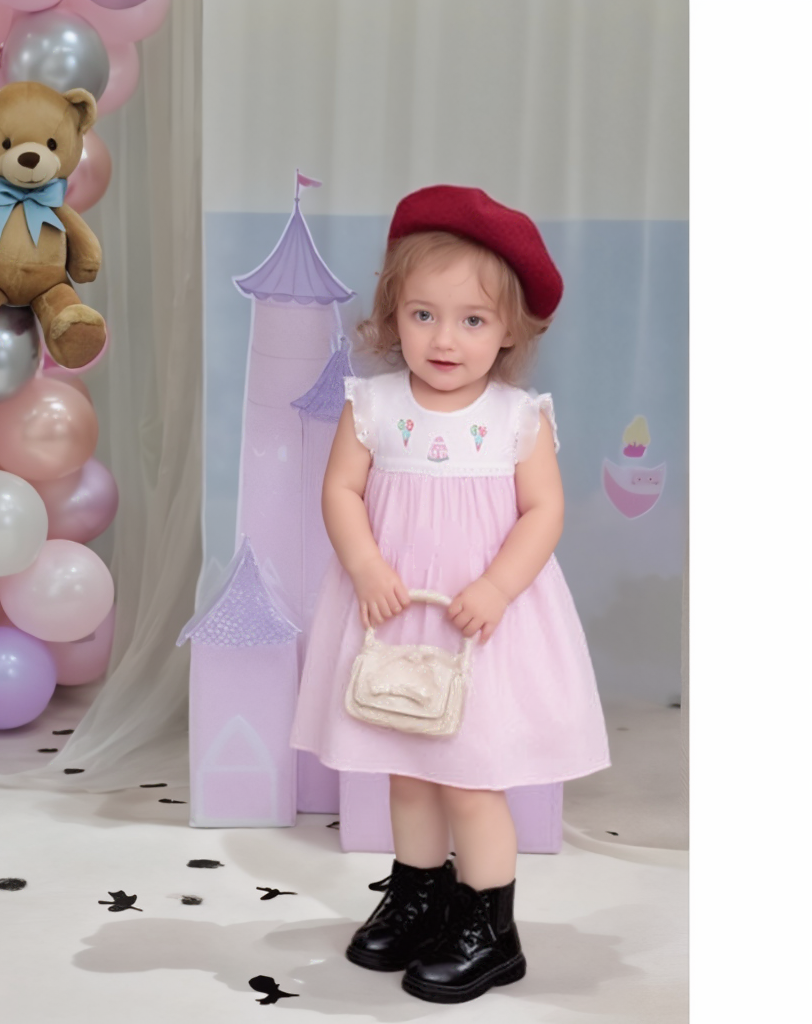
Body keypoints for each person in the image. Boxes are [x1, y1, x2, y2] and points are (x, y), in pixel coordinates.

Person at [288, 185, 611, 1004]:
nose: (443, 338)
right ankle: (419, 895)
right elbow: (340, 492)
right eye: (423, 314)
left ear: (509, 332)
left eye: (472, 320)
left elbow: (544, 512)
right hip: (397, 617)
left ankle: (488, 926)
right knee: (406, 768)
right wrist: (365, 564)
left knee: (471, 777)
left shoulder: (517, 418)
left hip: (481, 625)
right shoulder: (373, 405)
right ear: (392, 314)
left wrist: (498, 586)